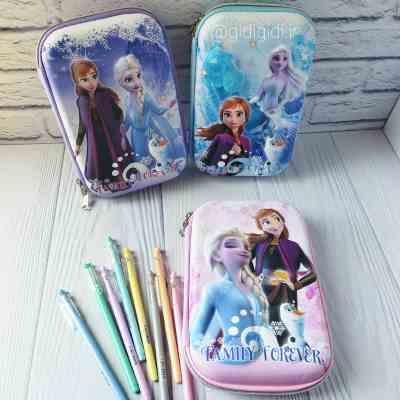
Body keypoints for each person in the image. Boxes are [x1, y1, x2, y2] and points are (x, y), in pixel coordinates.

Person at [190, 228, 270, 364]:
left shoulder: (253, 288)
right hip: (230, 361)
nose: (243, 250)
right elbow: (196, 336)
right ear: (217, 255)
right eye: (231, 245)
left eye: (246, 247)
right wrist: (216, 355)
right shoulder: (215, 290)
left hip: (260, 361)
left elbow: (262, 327)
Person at [248, 208, 316, 346]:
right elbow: (245, 260)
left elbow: (313, 273)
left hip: (286, 292)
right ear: (261, 227)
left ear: (283, 222)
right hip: (263, 291)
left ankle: (293, 349)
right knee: (268, 324)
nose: (273, 223)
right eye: (266, 222)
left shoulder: (293, 247)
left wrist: (297, 284)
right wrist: (254, 277)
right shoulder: (259, 245)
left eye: (277, 219)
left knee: (289, 325)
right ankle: (278, 350)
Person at [71, 59, 133, 192]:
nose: (91, 83)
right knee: (102, 161)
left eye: (94, 76)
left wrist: (119, 127)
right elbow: (83, 124)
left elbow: (118, 112)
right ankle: (106, 183)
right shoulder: (82, 101)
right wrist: (78, 144)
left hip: (112, 134)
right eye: (84, 79)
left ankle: (122, 180)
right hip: (96, 139)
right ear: (77, 82)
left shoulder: (105, 95)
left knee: (117, 156)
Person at [197, 96, 252, 169]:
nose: (233, 119)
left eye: (238, 114)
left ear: (245, 117)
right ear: (222, 117)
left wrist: (240, 154)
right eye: (228, 115)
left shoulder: (246, 141)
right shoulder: (221, 138)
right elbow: (206, 159)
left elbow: (246, 165)